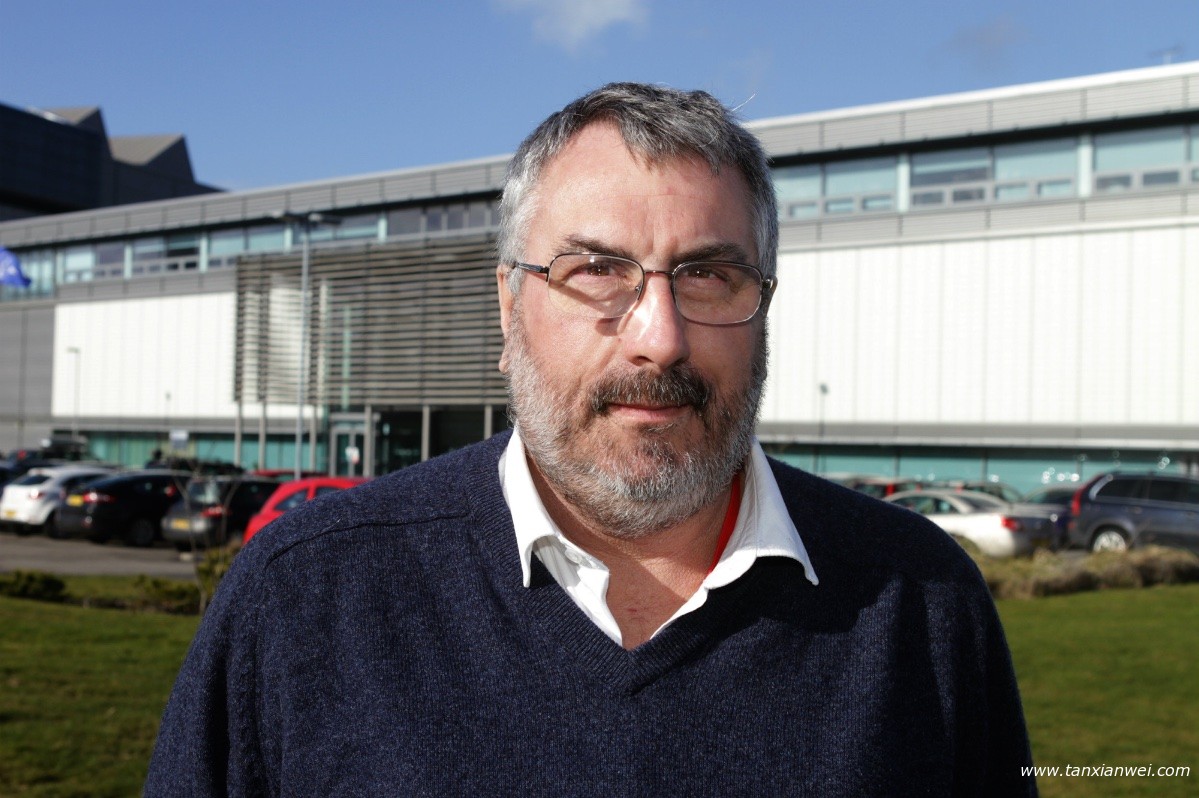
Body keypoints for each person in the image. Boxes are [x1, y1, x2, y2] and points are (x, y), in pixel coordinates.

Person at [146, 83, 1037, 796]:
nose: (660, 337)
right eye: (598, 269)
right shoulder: (303, 596)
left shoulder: (920, 602)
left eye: (708, 275)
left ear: (762, 307)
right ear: (509, 306)